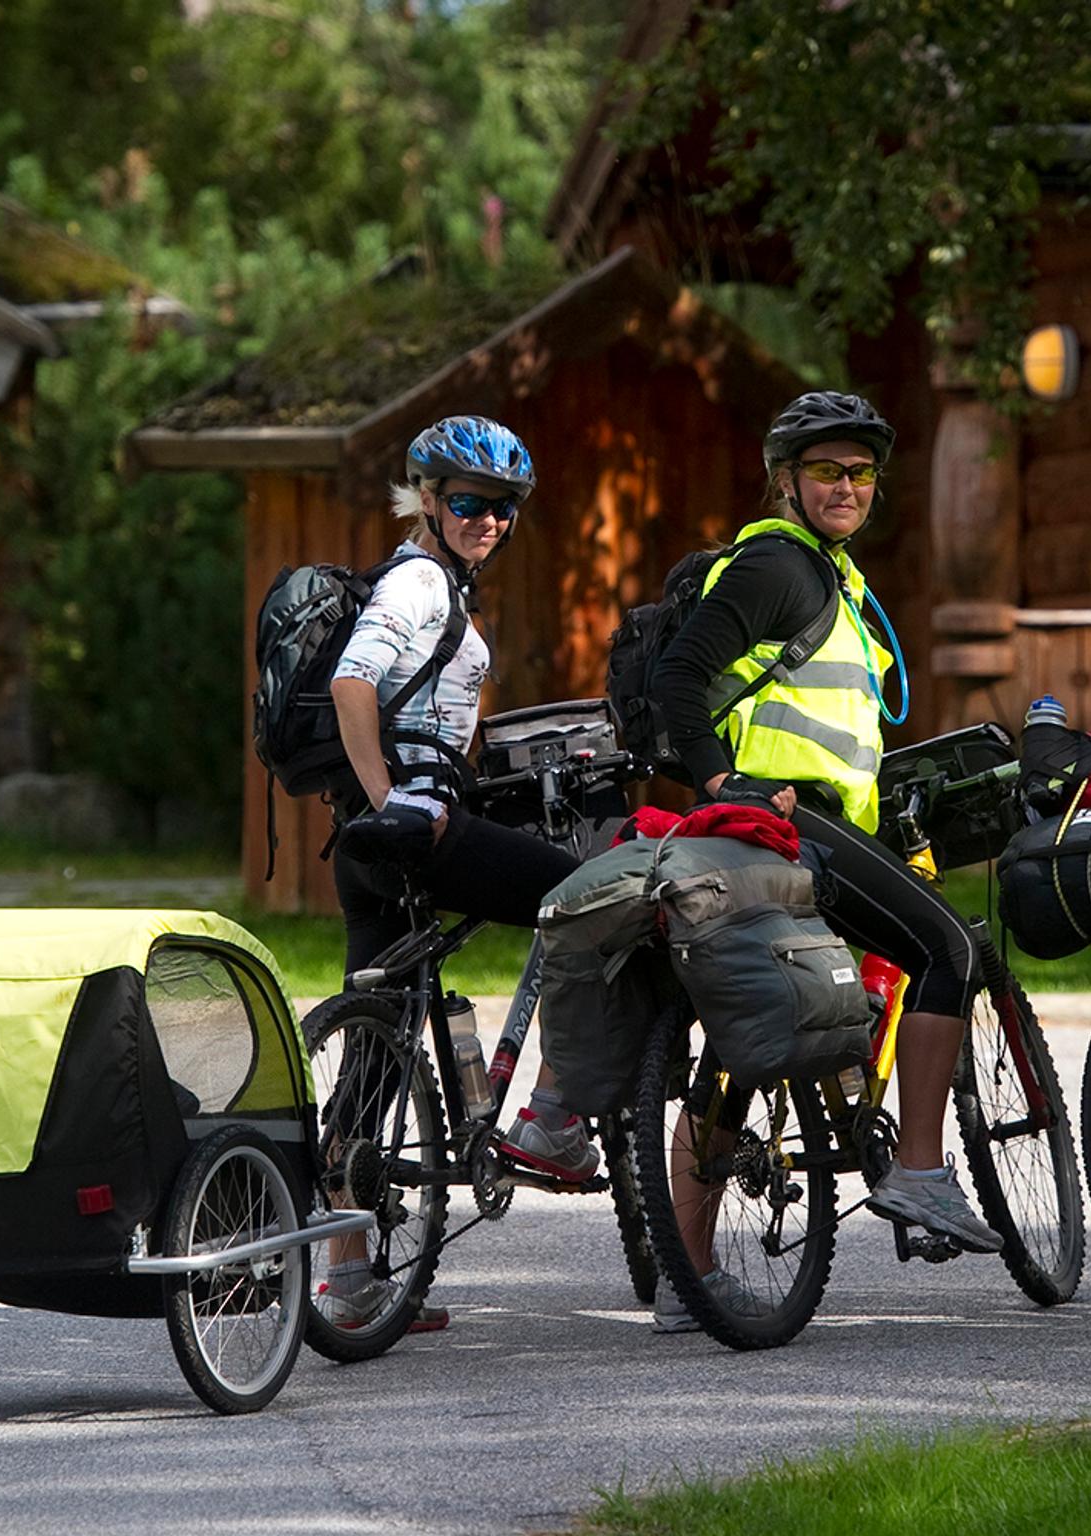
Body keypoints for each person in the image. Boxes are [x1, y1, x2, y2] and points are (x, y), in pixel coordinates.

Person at [650, 390, 1000, 1333]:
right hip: (785, 824)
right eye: (827, 472)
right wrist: (725, 780)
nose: (847, 487)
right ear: (785, 480)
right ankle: (921, 1173)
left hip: (803, 823)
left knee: (741, 1039)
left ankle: (686, 1277)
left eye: (860, 473)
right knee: (948, 953)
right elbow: (677, 677)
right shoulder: (781, 565)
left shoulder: (827, 575)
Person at [316, 415, 595, 1329]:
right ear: (427, 500)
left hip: (368, 845)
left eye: (505, 508)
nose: (489, 521)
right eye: (470, 502)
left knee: (378, 1047)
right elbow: (354, 686)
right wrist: (390, 799)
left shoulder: (441, 586)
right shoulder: (423, 582)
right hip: (405, 832)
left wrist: (389, 806)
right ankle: (553, 1110)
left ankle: (349, 1283)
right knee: (586, 899)